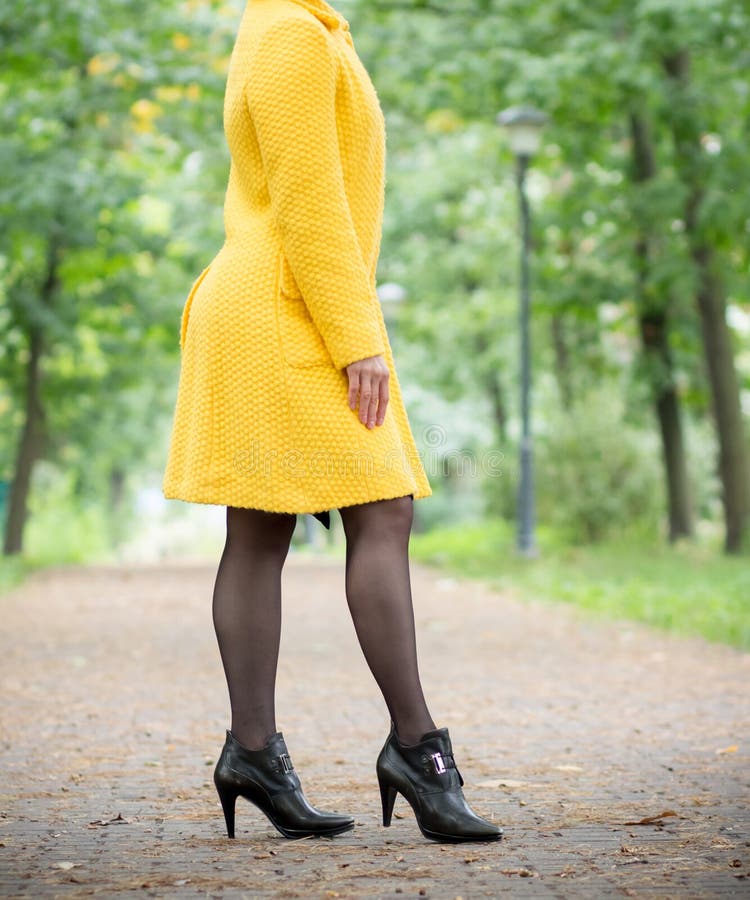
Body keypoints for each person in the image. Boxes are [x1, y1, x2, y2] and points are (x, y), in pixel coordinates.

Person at [162, 0, 501, 844]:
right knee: (381, 510)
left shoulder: (304, 29)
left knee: (265, 528)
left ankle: (253, 753)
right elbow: (311, 202)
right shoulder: (289, 35)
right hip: (283, 312)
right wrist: (360, 340)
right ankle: (417, 751)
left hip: (279, 303)